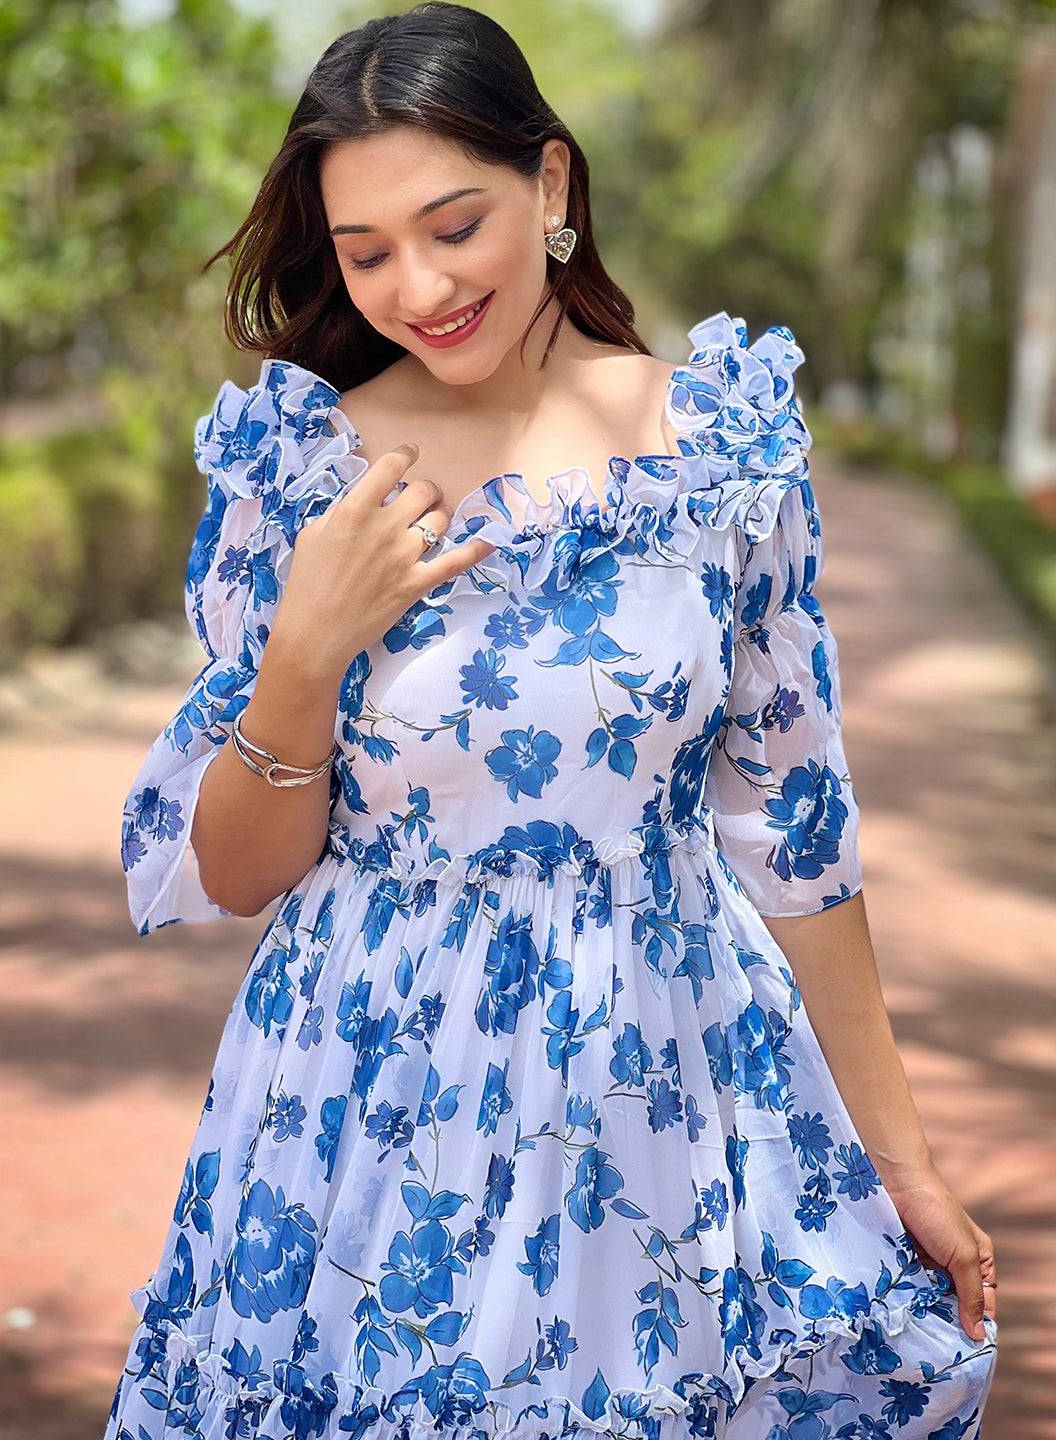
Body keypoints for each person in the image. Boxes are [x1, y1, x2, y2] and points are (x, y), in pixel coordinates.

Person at [105, 4, 998, 1437]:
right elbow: (233, 870)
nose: (419, 285)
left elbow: (799, 836)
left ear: (554, 186)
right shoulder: (305, 470)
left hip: (663, 1080)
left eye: (453, 225)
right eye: (366, 253)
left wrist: (904, 1164)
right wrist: (304, 654)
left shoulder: (720, 455)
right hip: (371, 1094)